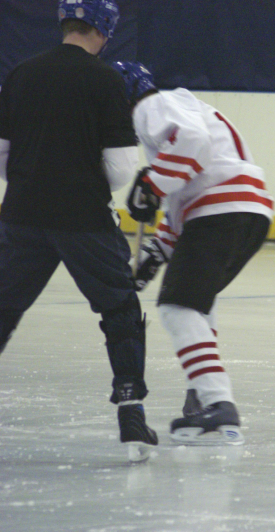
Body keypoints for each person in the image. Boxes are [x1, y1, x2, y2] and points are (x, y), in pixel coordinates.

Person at [0, 0, 157, 460]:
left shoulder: (21, 73)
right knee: (120, 310)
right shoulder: (107, 79)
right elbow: (120, 168)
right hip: (84, 218)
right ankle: (131, 414)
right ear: (104, 30)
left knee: (3, 306)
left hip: (21, 214)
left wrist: (35, 179)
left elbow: (3, 155)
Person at [111, 61, 274, 444]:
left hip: (221, 209)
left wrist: (151, 184)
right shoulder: (188, 106)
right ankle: (201, 396)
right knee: (197, 304)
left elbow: (193, 143)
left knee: (177, 307)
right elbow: (184, 196)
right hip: (248, 210)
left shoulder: (152, 106)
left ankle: (218, 401)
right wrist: (156, 252)